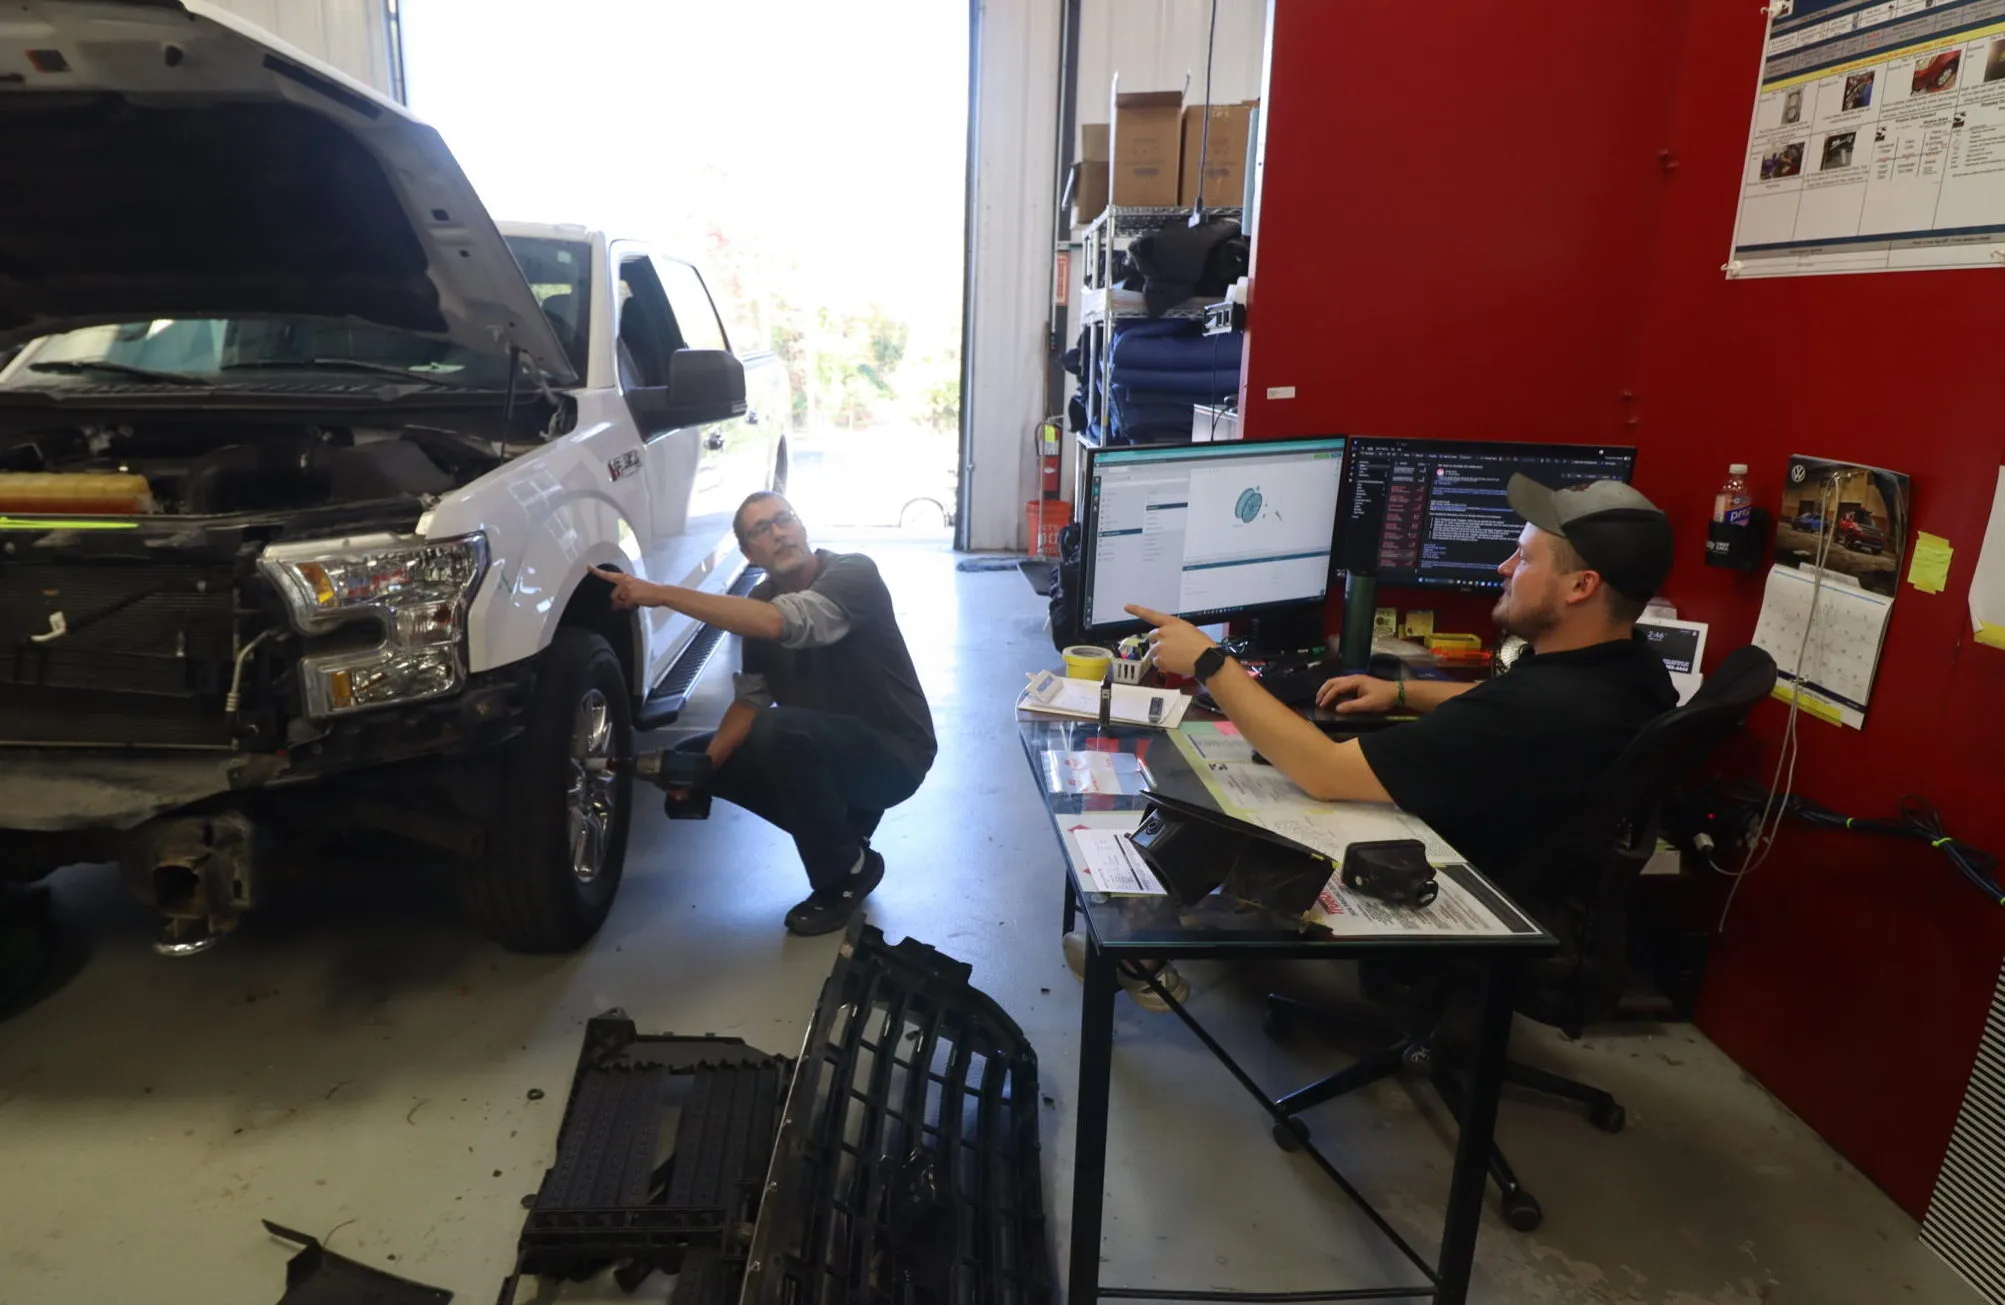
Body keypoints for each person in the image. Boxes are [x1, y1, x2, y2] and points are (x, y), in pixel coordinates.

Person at [1092, 475, 1678, 1008]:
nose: (1503, 568)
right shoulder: (1627, 669)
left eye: (1524, 559)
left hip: (1463, 889)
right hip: (1537, 872)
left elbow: (1325, 770)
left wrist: (1210, 662)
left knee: (1251, 788)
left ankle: (1138, 951)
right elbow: (1495, 701)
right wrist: (1403, 692)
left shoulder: (1534, 710)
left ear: (1581, 586)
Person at [593, 492, 935, 936]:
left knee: (779, 731)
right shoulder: (759, 600)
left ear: (801, 526)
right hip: (830, 751)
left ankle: (845, 873)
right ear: (748, 552)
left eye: (783, 519)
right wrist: (705, 769)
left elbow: (782, 623)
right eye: (760, 530)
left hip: (895, 756)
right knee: (695, 753)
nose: (777, 533)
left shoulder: (853, 573)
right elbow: (751, 700)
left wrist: (661, 595)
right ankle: (844, 834)